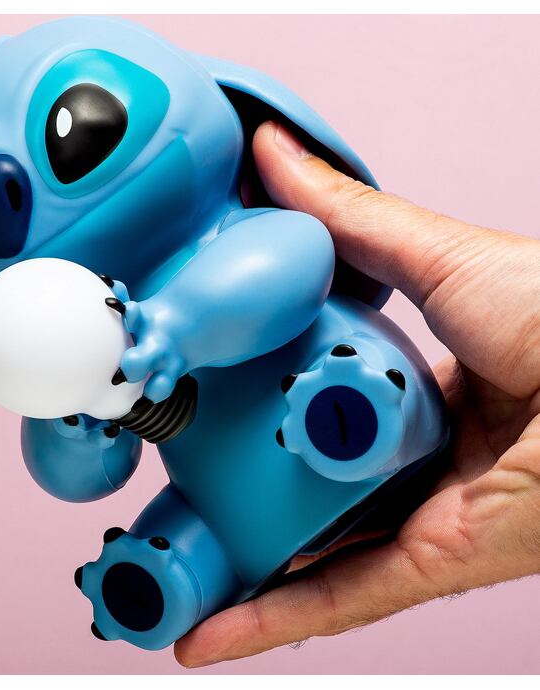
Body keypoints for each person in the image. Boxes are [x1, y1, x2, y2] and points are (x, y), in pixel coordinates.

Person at [174, 121, 540, 668]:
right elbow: (83, 476)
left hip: (342, 373)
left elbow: (299, 256)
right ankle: (171, 574)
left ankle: (369, 422)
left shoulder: (248, 235)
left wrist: (169, 328)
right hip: (224, 502)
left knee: (364, 397)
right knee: (190, 545)